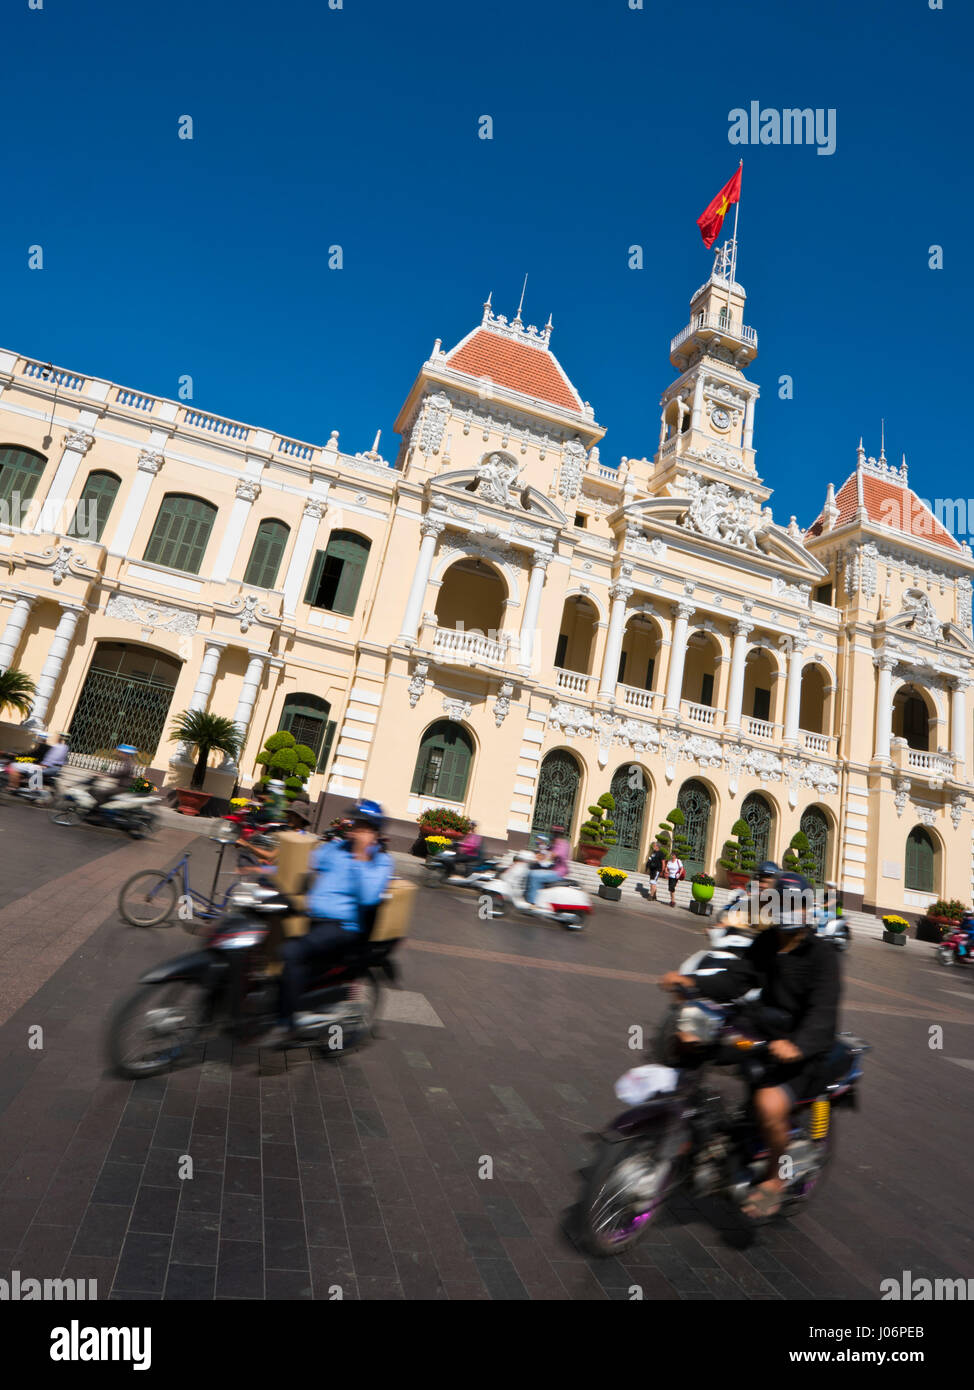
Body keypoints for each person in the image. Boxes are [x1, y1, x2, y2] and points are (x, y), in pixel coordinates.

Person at [659, 871, 842, 1221]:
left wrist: (797, 1046)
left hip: (801, 1044)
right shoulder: (768, 942)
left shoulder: (823, 957)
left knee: (768, 1103)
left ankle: (774, 1178)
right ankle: (682, 1120)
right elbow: (737, 980)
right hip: (760, 1026)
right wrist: (692, 982)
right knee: (691, 1038)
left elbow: (823, 1014)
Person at [268, 799, 394, 1045]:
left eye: (362, 825)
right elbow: (309, 863)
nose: (354, 828)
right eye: (355, 822)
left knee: (292, 952)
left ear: (374, 832)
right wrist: (268, 873)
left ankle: (286, 1023)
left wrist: (361, 857)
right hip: (313, 917)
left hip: (342, 927)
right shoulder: (336, 848)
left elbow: (369, 896)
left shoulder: (380, 862)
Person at [523, 830, 569, 906]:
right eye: (554, 833)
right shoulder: (554, 844)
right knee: (530, 870)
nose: (554, 835)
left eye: (556, 834)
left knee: (534, 875)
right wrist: (532, 856)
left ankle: (532, 903)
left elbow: (552, 855)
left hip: (558, 872)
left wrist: (540, 857)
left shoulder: (563, 844)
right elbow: (544, 852)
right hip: (551, 870)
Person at [89, 745, 137, 812]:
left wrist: (105, 776)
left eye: (120, 752)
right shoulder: (128, 761)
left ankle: (96, 814)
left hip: (123, 787)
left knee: (101, 794)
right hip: (123, 786)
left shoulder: (128, 762)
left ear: (126, 754)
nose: (118, 753)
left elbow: (122, 772)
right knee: (104, 793)